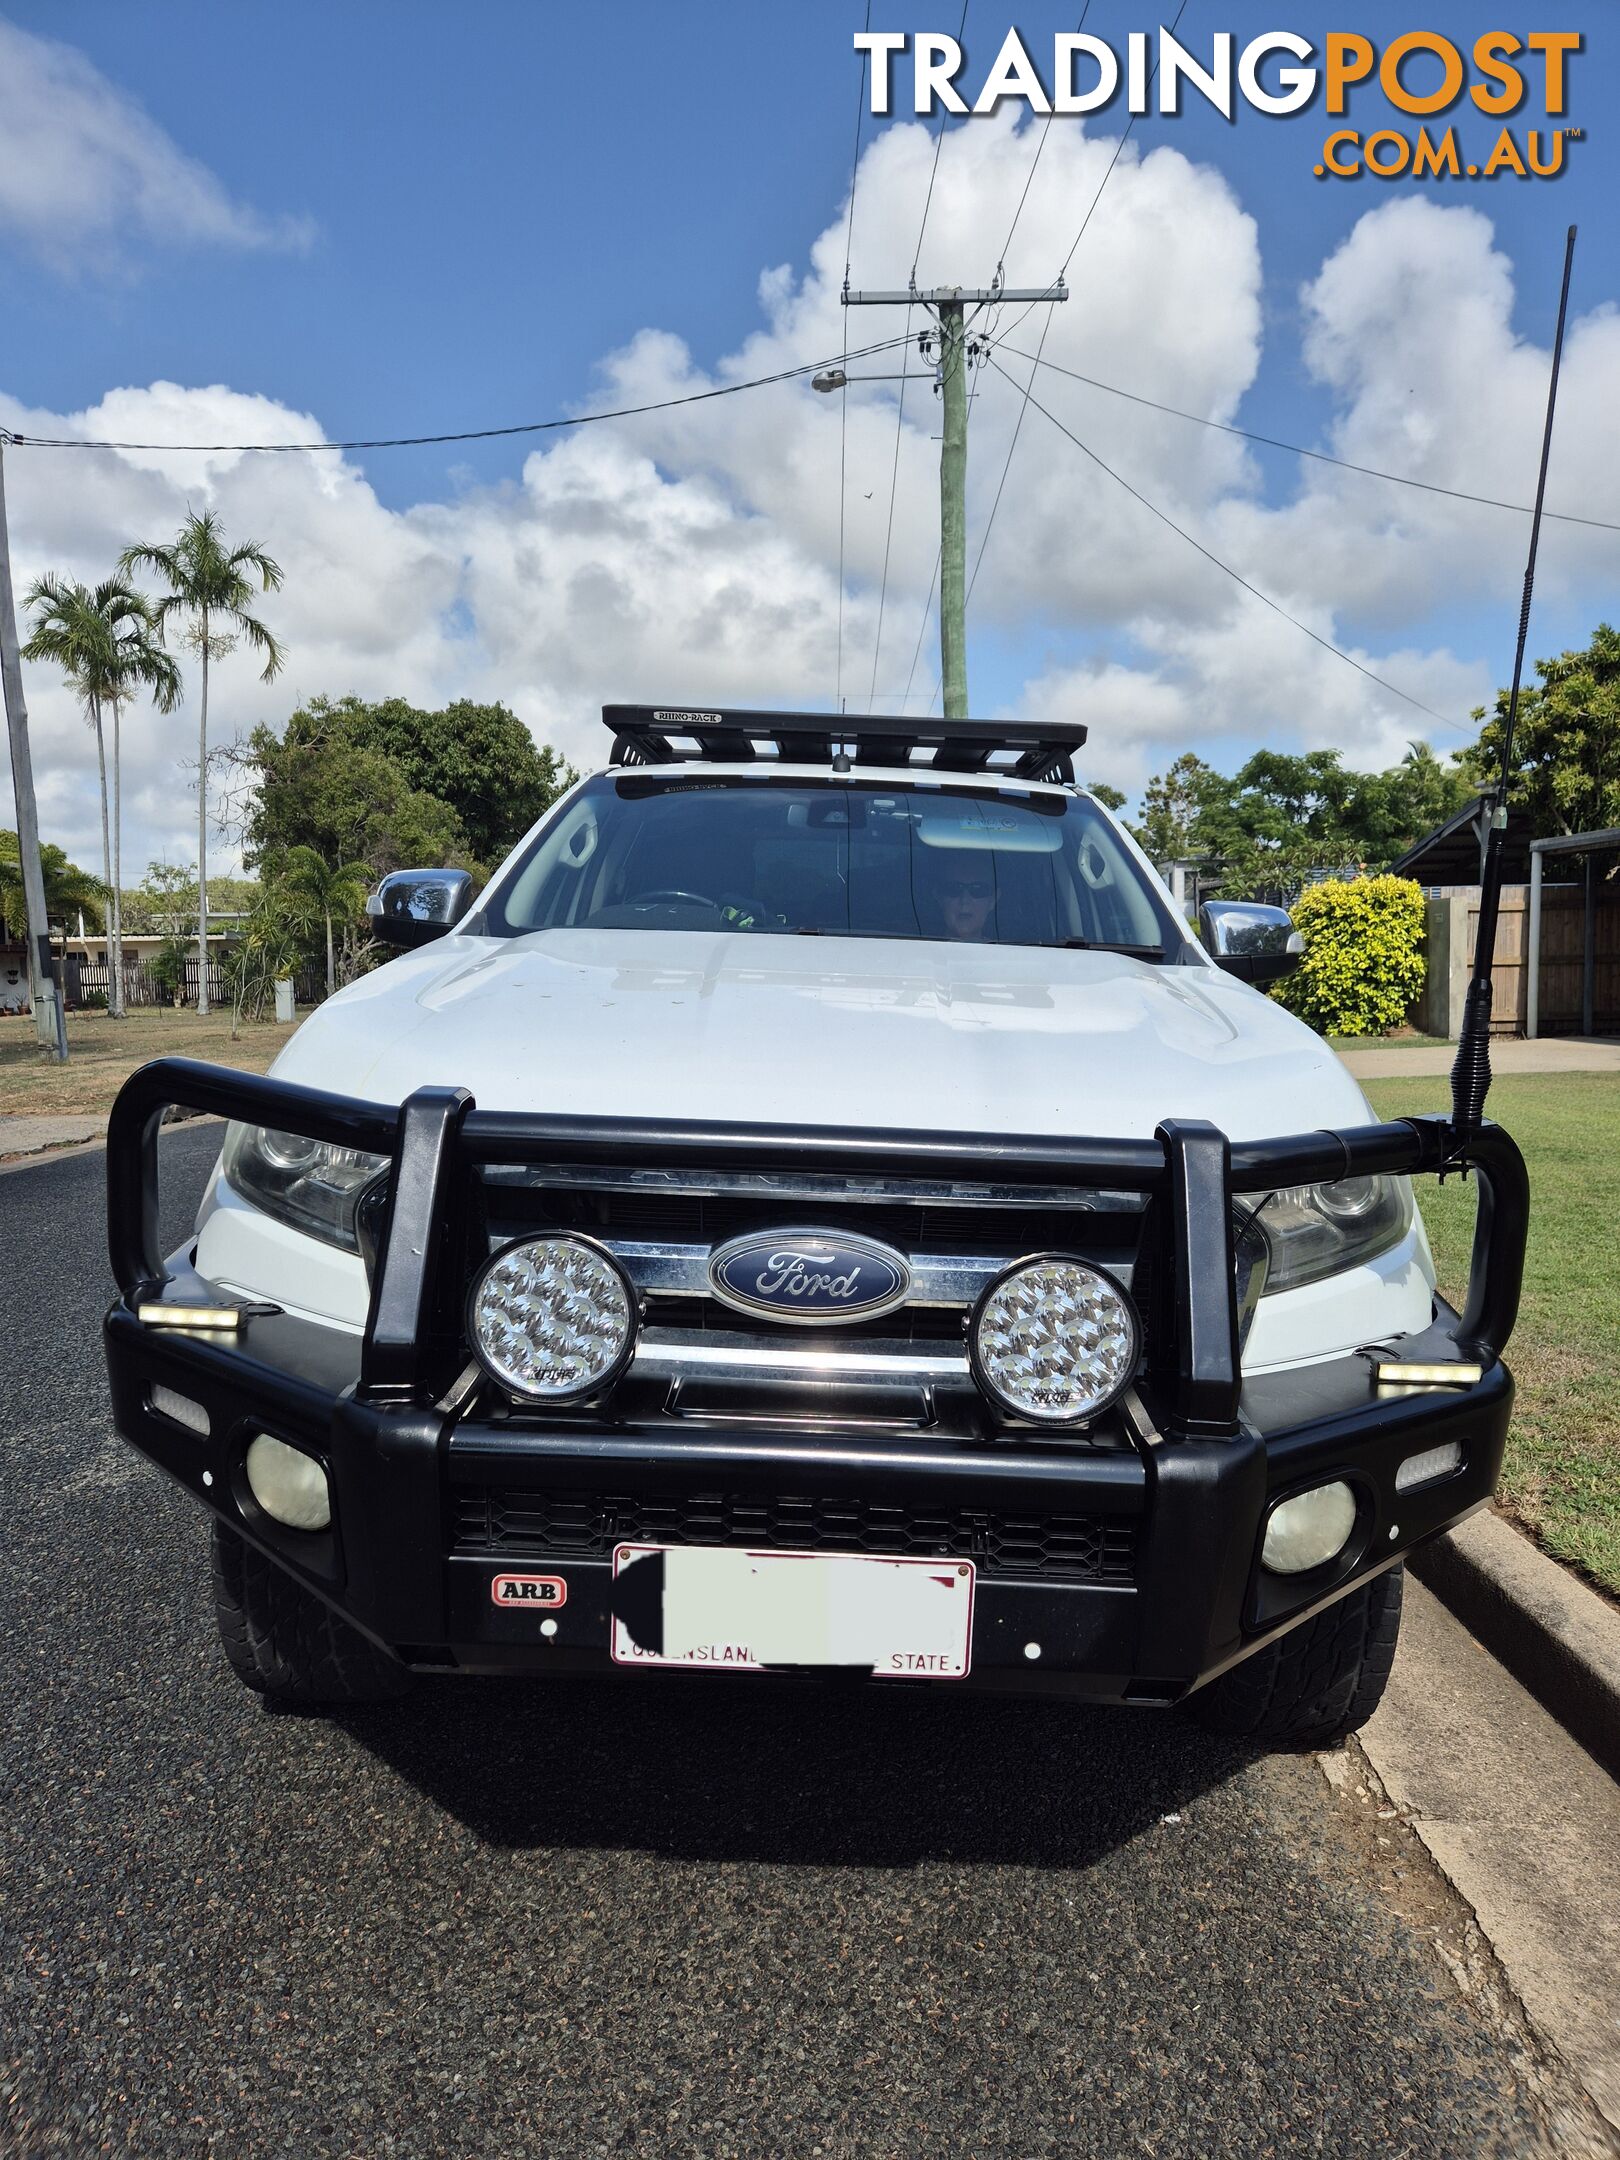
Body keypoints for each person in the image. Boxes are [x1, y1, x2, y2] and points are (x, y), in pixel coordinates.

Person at [921, 851, 997, 941]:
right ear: (938, 896)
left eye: (977, 889)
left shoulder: (1010, 953)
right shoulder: (911, 950)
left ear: (993, 899)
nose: (965, 900)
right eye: (954, 889)